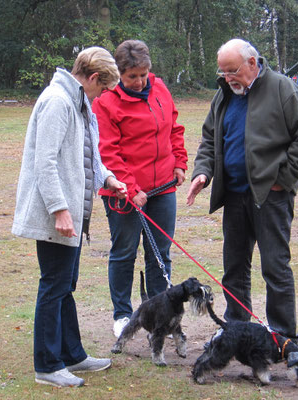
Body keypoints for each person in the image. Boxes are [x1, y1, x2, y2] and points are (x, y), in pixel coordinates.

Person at [186, 38, 298, 343]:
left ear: (252, 62)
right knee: (234, 268)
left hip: (270, 197)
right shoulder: (224, 95)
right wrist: (203, 172)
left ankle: (283, 339)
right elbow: (209, 139)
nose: (228, 77)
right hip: (233, 196)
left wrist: (282, 179)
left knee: (275, 268)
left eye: (232, 71)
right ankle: (235, 330)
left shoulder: (283, 89)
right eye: (222, 72)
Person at [12, 47, 127, 388]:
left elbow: (88, 153)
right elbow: (44, 163)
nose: (103, 95)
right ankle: (47, 365)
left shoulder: (79, 103)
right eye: (103, 88)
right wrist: (60, 210)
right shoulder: (58, 102)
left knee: (66, 284)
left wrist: (108, 178)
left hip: (74, 213)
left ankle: (72, 354)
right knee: (53, 285)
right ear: (93, 78)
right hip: (57, 214)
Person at [93, 40, 188, 338]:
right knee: (124, 252)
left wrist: (179, 161)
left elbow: (173, 127)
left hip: (163, 187)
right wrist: (130, 188)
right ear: (119, 73)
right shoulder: (105, 102)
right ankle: (123, 314)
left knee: (160, 252)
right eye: (132, 76)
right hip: (123, 193)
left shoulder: (159, 89)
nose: (139, 82)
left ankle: (161, 313)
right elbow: (108, 151)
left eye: (143, 75)